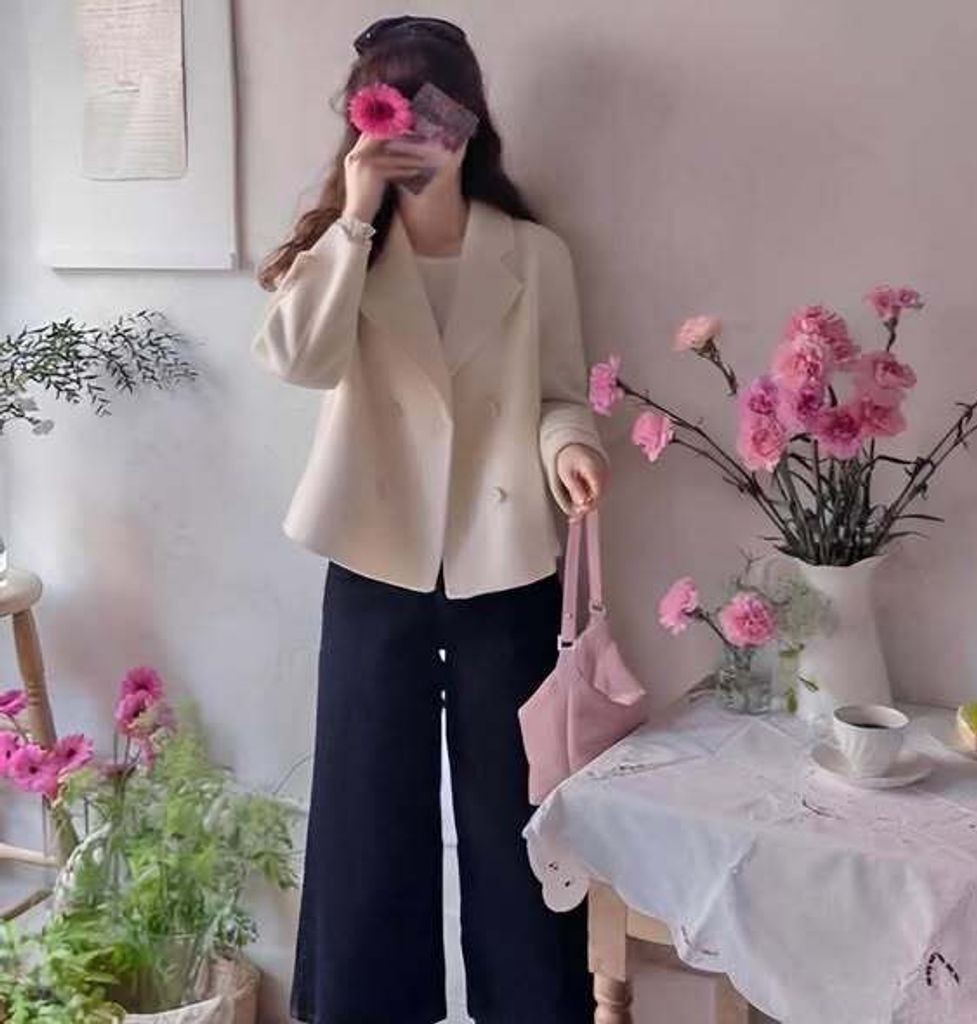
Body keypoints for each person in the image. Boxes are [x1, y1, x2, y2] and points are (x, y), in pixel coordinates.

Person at [252, 14, 609, 1023]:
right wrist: (356, 211)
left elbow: (558, 392)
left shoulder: (534, 254)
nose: (416, 128)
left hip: (505, 567)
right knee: (367, 819)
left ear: (470, 117)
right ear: (364, 118)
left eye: (435, 106)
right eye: (391, 107)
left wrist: (571, 449)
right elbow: (297, 361)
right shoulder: (347, 253)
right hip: (376, 564)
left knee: (518, 825)